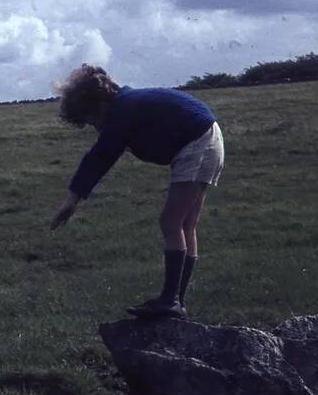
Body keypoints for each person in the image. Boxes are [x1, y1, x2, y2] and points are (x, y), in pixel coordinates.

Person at [50, 64, 224, 319]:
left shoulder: (122, 111)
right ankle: (175, 301)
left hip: (198, 143)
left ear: (99, 105)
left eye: (92, 120)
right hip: (207, 139)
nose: (95, 127)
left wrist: (71, 201)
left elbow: (100, 157)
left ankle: (171, 300)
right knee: (186, 224)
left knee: (171, 222)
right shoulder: (126, 104)